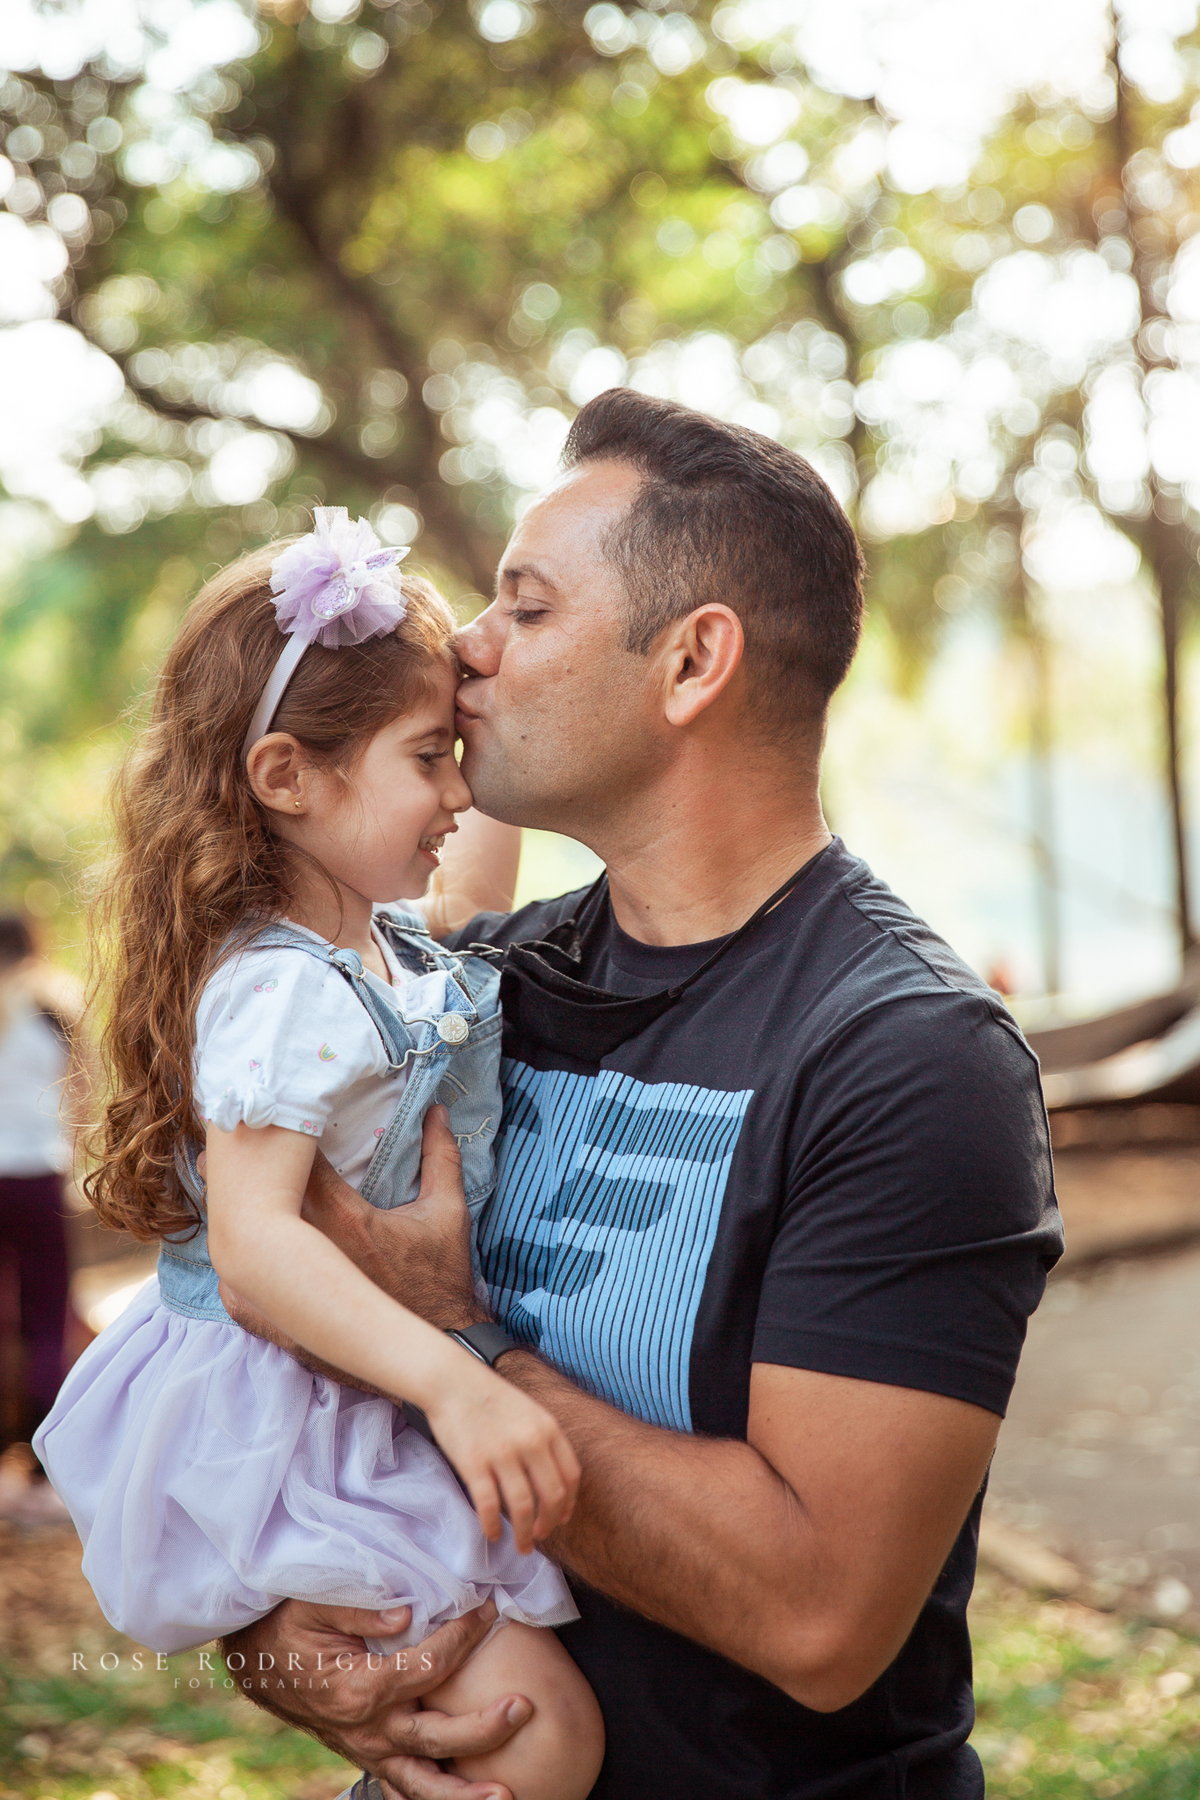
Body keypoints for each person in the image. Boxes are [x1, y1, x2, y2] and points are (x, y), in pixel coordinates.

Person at [223, 389, 1064, 1800]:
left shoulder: (909, 1060)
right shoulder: (466, 988)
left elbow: (820, 1619)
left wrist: (460, 1339)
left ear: (691, 663)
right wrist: (285, 1637)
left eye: (527, 608)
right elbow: (269, 1333)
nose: (463, 651)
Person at [33, 509, 603, 1800]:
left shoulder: (381, 943)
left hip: (347, 1375)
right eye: (426, 757)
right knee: (543, 1733)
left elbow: (473, 909)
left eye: (459, 753)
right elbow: (254, 1251)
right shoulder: (280, 992)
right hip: (285, 1405)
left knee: (525, 1724)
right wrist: (456, 1385)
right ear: (287, 777)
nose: (458, 790)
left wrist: (486, 667)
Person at [0, 915, 73, 1456]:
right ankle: (43, 1450)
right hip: (39, 1176)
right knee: (47, 1315)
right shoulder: (54, 1012)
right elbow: (85, 1100)